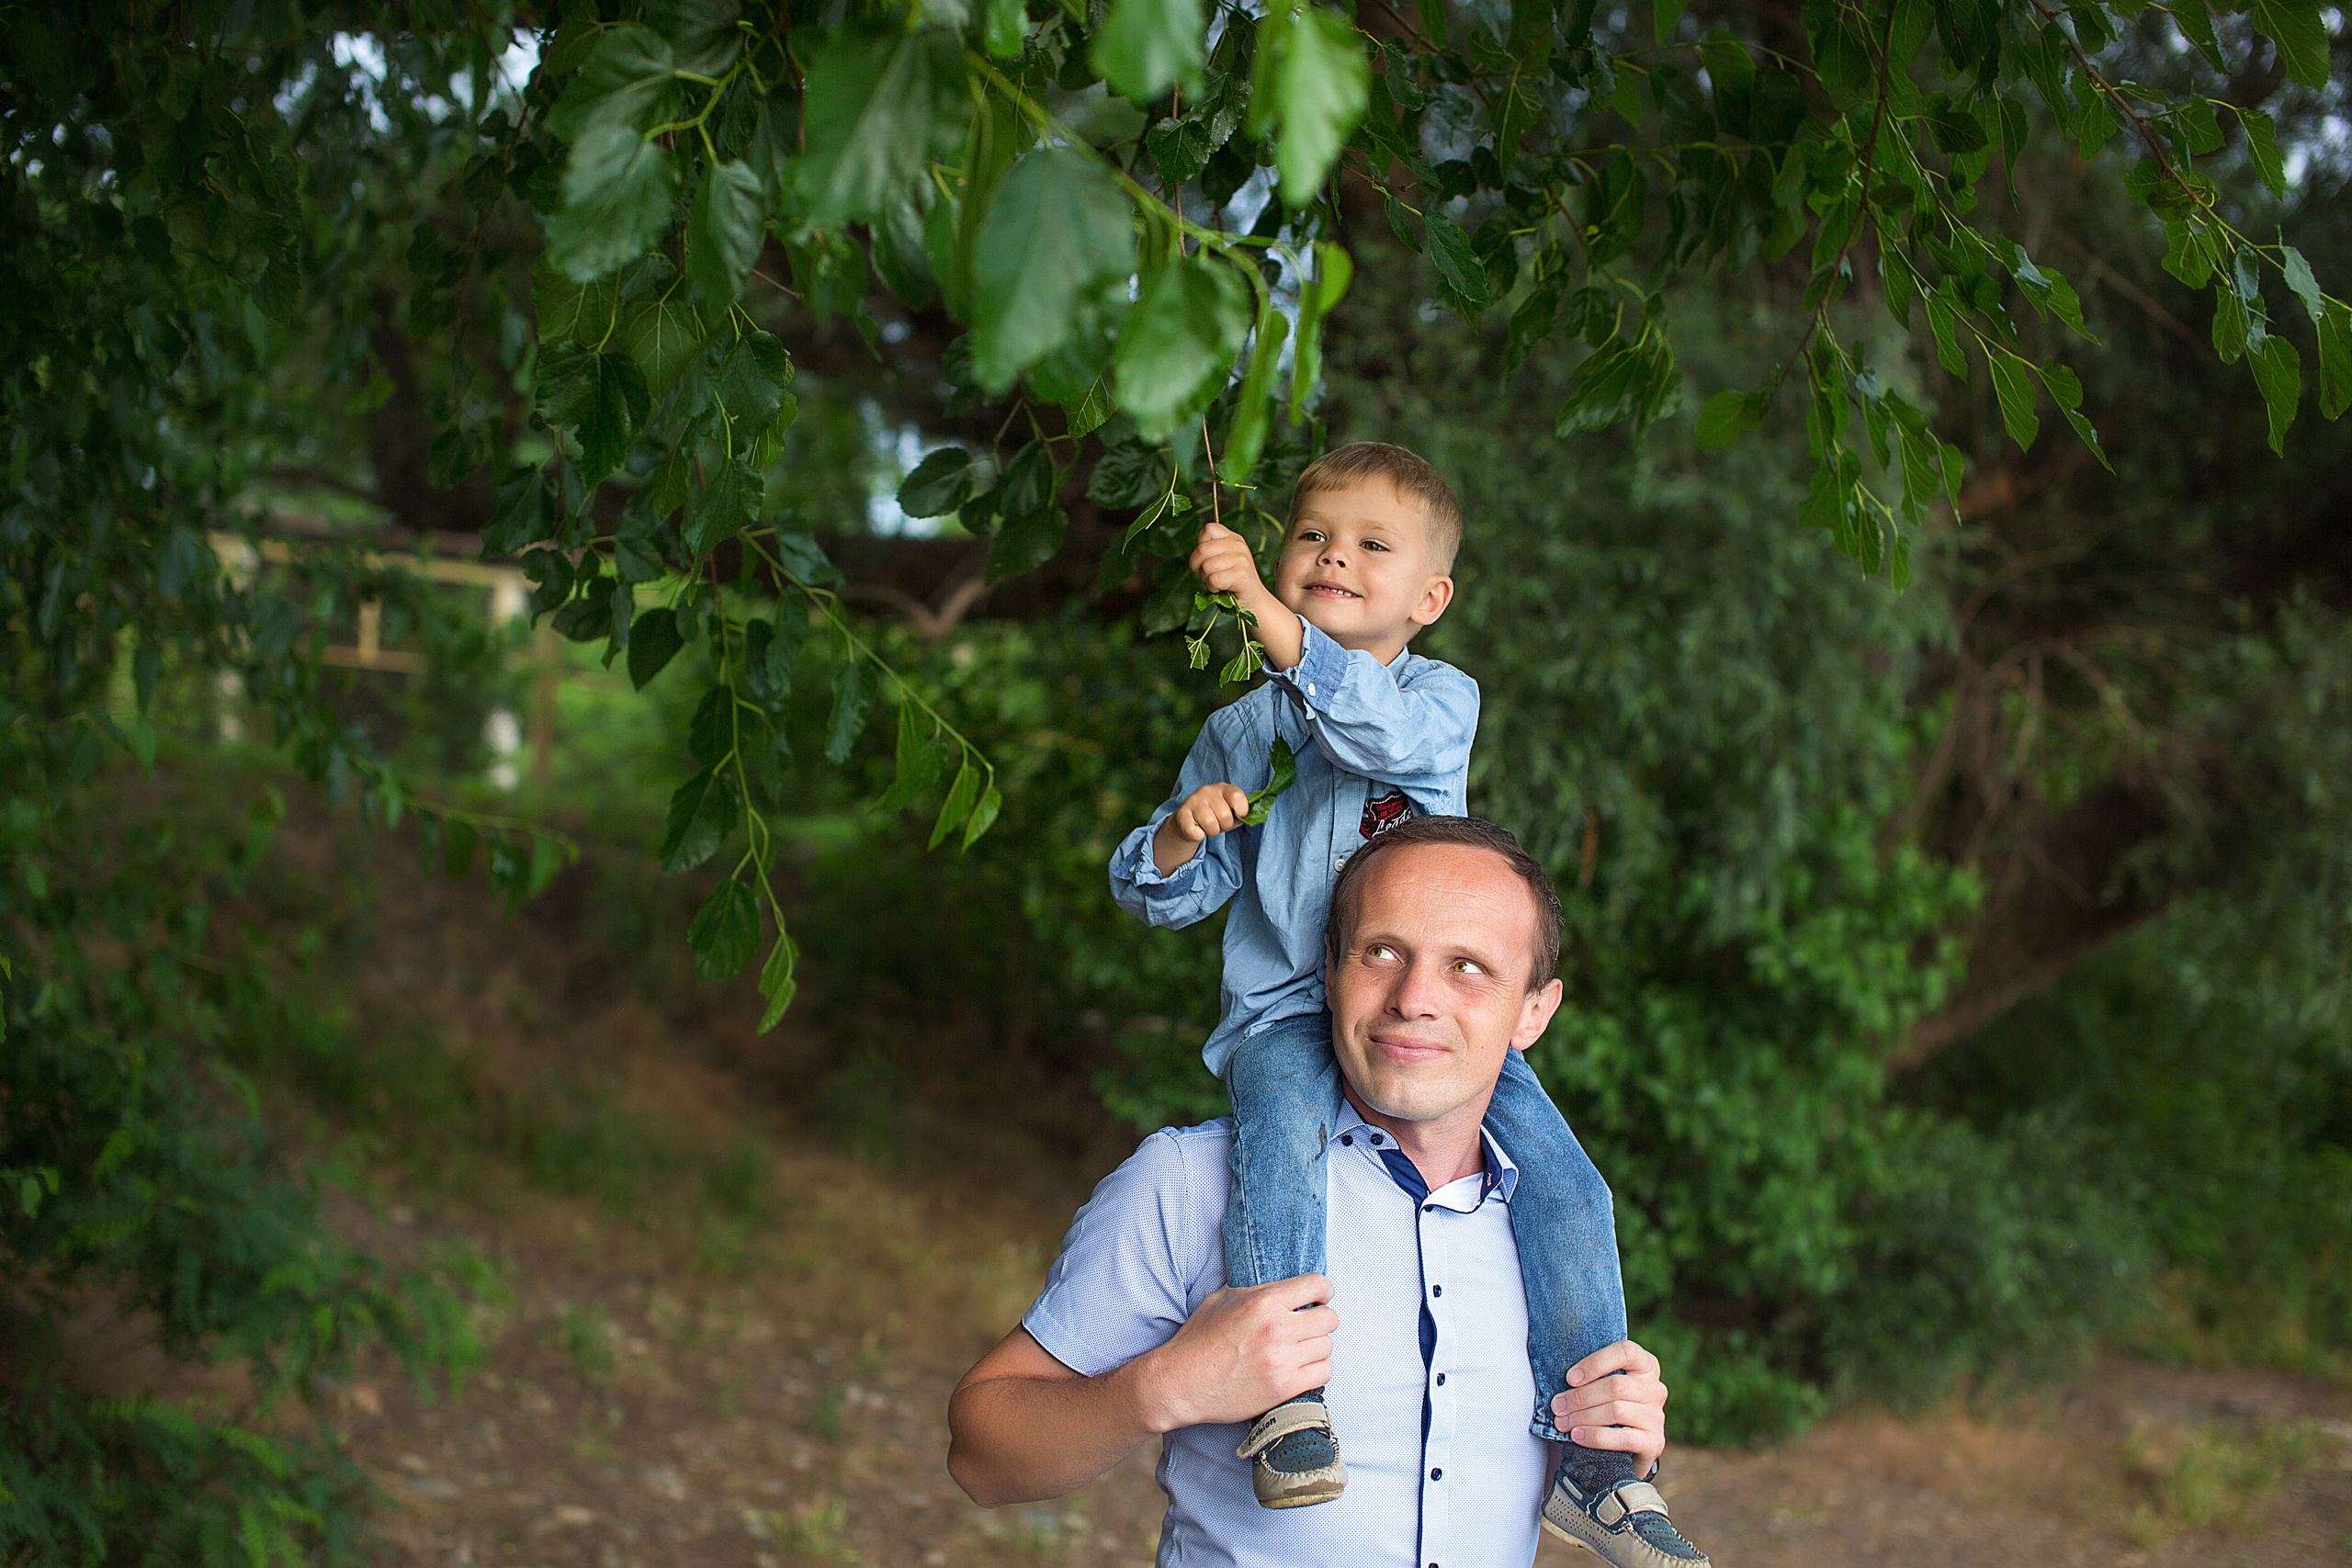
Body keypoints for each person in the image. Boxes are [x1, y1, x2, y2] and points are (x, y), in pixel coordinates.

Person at [1091, 442, 1697, 1561]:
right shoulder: (1240, 733)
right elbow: (1166, 896)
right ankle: (1287, 1407)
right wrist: (1178, 838)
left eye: (1372, 544)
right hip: (1288, 1007)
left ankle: (1594, 1463)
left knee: (1568, 1183)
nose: (1333, 557)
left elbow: (1362, 723)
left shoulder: (1438, 701)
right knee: (1278, 1149)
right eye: (1313, 536)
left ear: (1430, 598)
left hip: (1419, 1016)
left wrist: (1264, 609)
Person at [949, 818, 1706, 1566]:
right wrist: (1160, 1387)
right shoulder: (1188, 1183)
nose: (1414, 997)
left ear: (1535, 1010)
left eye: (1467, 966)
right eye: (1382, 952)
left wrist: (1614, 1438)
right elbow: (980, 1458)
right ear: (1330, 968)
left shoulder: (1561, 1239)